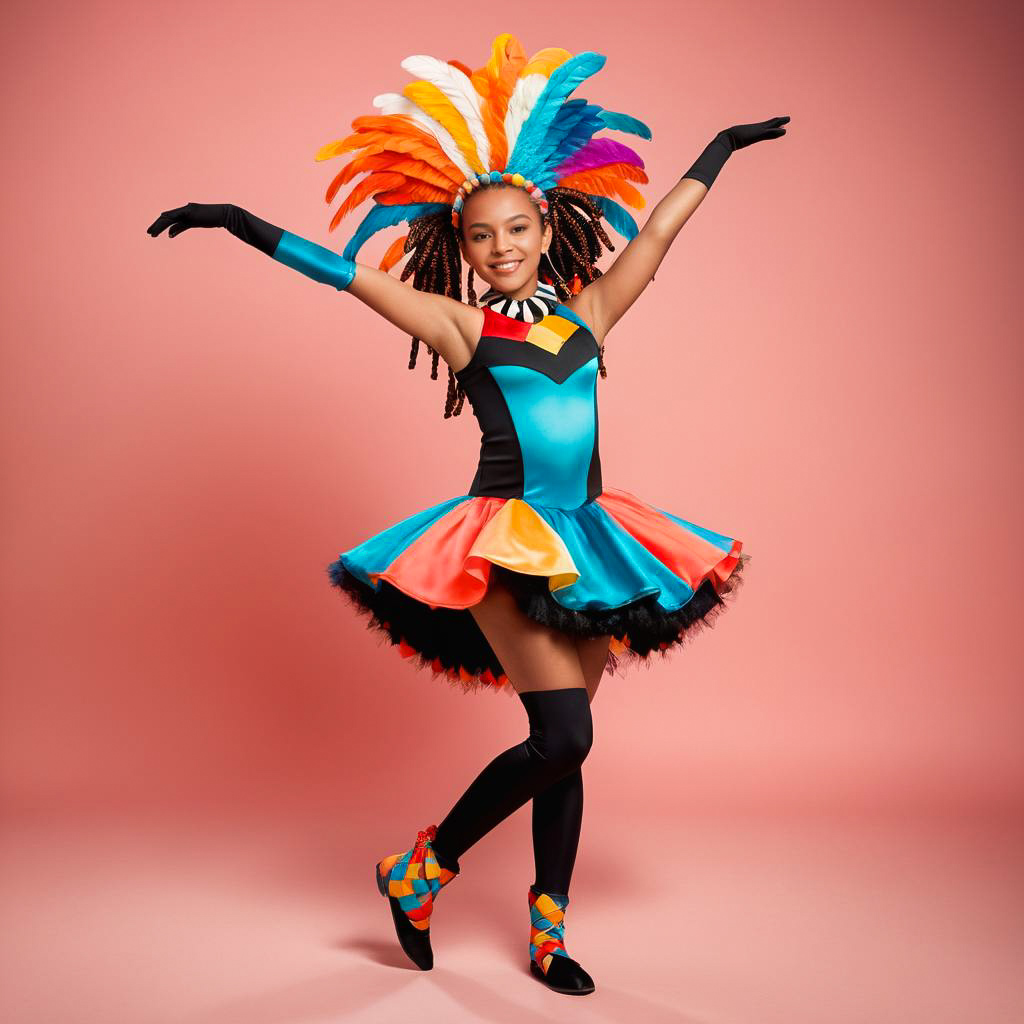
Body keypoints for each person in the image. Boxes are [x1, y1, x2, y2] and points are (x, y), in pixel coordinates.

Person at [147, 33, 786, 996]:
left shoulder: (593, 313)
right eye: (480, 238)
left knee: (558, 752)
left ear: (546, 223)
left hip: (593, 537)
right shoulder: (459, 326)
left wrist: (719, 151)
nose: (500, 249)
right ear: (462, 247)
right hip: (505, 536)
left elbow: (655, 235)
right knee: (565, 735)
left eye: (515, 231)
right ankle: (421, 868)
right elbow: (343, 275)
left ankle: (547, 934)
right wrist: (239, 220)